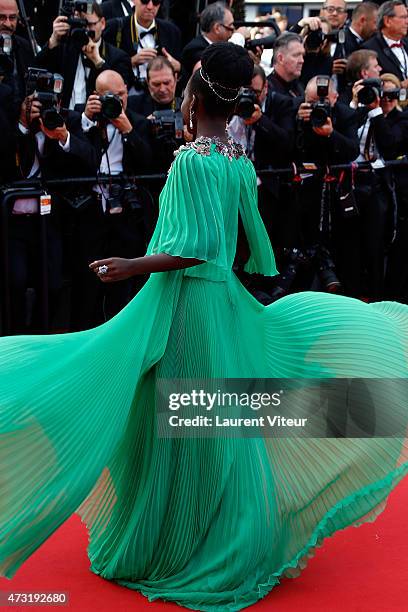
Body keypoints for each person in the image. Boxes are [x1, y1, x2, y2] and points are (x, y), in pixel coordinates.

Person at [1, 42, 408, 612]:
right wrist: (258, 274)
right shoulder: (237, 158)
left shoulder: (194, 158)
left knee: (179, 412)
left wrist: (130, 266)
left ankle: (182, 538)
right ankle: (225, 526)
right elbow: (255, 244)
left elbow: (190, 250)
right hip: (224, 303)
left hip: (189, 305)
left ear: (196, 90)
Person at [36, 1, 133, 109]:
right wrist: (53, 40)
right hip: (63, 120)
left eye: (90, 24)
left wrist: (98, 61)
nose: (85, 29)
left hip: (97, 122)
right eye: (80, 24)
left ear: (103, 23)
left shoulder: (118, 57)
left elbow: (118, 94)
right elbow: (37, 70)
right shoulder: (63, 49)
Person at [363, 0, 408, 85]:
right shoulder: (369, 49)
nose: (407, 22)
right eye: (403, 17)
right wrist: (401, 85)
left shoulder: (406, 43)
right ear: (387, 21)